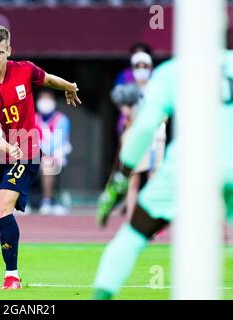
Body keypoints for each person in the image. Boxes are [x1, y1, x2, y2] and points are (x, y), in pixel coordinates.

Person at [0, 25, 81, 290]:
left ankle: (12, 276)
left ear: (9, 50)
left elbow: (48, 79)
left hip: (27, 153)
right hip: (0, 152)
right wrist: (8, 148)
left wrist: (69, 86)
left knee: (1, 206)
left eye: (0, 52)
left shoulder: (25, 70)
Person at [93, 52, 233, 300]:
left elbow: (145, 127)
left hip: (188, 166)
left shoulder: (172, 71)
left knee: (132, 235)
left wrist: (120, 178)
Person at [115, 52, 166, 218]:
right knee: (133, 180)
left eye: (145, 66)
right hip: (135, 138)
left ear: (150, 68)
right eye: (138, 67)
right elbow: (124, 112)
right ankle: (131, 219)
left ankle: (151, 221)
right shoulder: (128, 90)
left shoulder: (157, 88)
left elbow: (164, 113)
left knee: (153, 180)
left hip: (155, 137)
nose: (141, 70)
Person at [35, 89, 72, 215]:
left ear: (54, 102)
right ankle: (20, 202)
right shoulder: (32, 118)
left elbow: (57, 142)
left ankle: (47, 202)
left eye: (48, 99)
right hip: (35, 155)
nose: (45, 103)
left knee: (48, 164)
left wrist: (43, 154)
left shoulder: (62, 120)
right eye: (42, 99)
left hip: (56, 155)